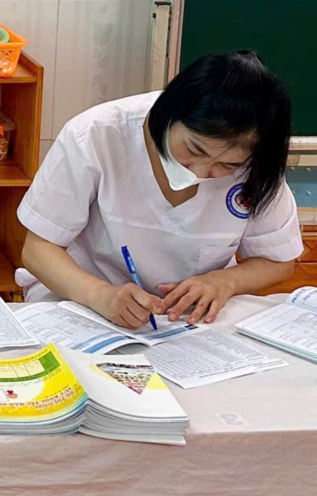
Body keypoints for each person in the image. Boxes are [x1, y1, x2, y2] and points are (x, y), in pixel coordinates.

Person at [15, 50, 302, 327]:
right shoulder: (95, 134)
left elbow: (277, 261)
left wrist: (224, 281)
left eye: (227, 166)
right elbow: (38, 249)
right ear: (169, 114)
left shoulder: (258, 163)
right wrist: (101, 295)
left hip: (189, 318)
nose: (201, 173)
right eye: (194, 150)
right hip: (82, 297)